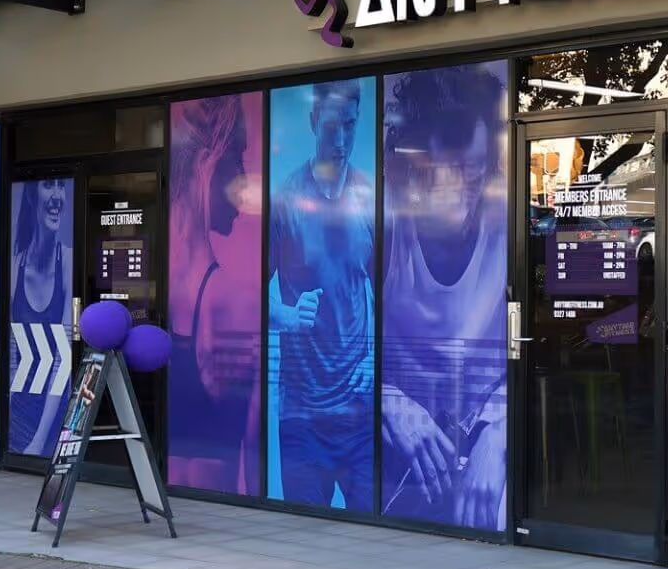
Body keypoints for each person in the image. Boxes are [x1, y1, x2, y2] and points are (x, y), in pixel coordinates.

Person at [380, 64, 508, 529]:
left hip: (484, 443)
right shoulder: (382, 229)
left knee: (503, 515)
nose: (454, 186)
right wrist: (386, 400)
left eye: (470, 171)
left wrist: (502, 433)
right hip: (400, 456)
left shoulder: (509, 227)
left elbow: (538, 350)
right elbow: (329, 350)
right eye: (437, 169)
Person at [268, 80, 376, 511]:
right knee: (304, 534)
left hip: (359, 410)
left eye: (350, 125)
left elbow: (391, 292)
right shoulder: (285, 202)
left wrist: (373, 356)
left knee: (371, 536)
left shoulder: (370, 198)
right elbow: (247, 296)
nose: (342, 140)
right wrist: (287, 316)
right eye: (332, 126)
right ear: (314, 122)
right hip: (302, 413)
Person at [169, 96, 261, 494]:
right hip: (213, 511)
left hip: (169, 502)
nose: (242, 178)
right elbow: (253, 446)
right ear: (208, 161)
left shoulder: (161, 284)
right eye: (236, 158)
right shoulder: (233, 299)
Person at [9, 178, 73, 457]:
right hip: (19, 416)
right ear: (32, 197)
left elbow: (64, 357)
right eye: (49, 185)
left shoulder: (69, 263)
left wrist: (38, 441)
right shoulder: (14, 268)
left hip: (54, 417)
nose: (58, 195)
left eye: (62, 186)